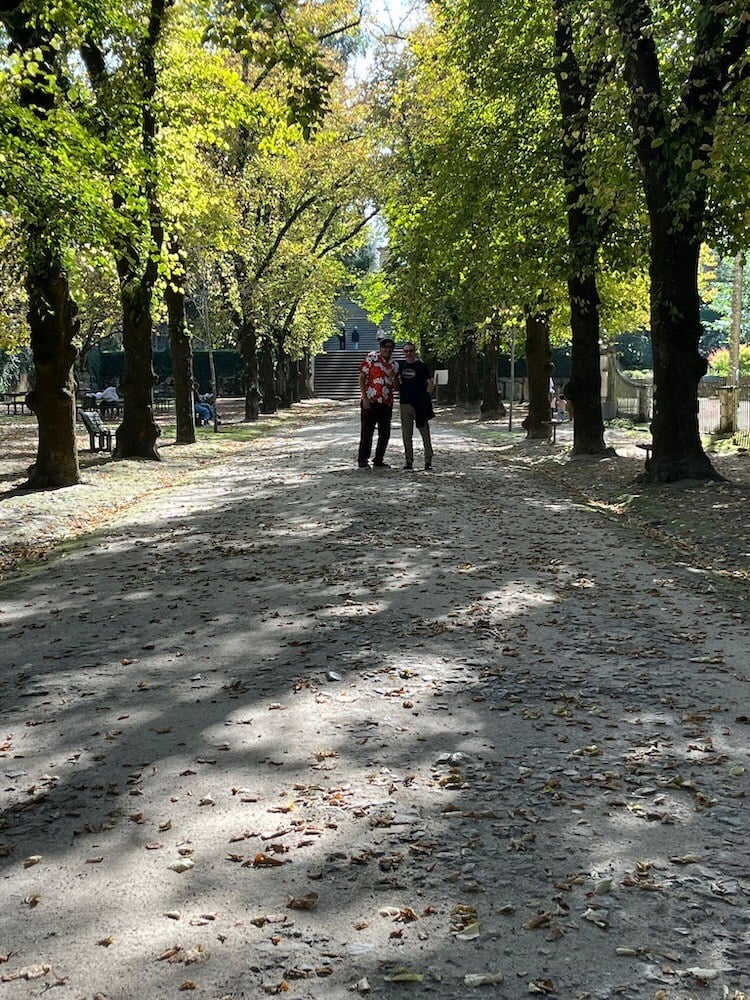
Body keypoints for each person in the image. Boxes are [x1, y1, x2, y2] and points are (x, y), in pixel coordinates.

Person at [357, 337, 398, 469]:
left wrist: (393, 376)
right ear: (380, 348)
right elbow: (362, 377)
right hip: (371, 399)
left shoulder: (395, 365)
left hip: (386, 402)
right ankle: (363, 459)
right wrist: (365, 397)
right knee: (367, 431)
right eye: (385, 347)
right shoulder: (371, 358)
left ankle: (379, 459)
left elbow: (397, 387)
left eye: (390, 348)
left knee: (385, 433)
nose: (387, 350)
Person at [396, 342, 434, 470]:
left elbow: (430, 382)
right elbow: (395, 382)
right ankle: (408, 461)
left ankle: (428, 460)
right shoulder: (400, 366)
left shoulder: (421, 366)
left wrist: (426, 397)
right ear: (403, 352)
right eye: (406, 351)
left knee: (425, 433)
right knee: (407, 434)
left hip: (420, 404)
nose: (408, 354)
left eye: (411, 351)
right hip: (405, 403)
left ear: (414, 351)